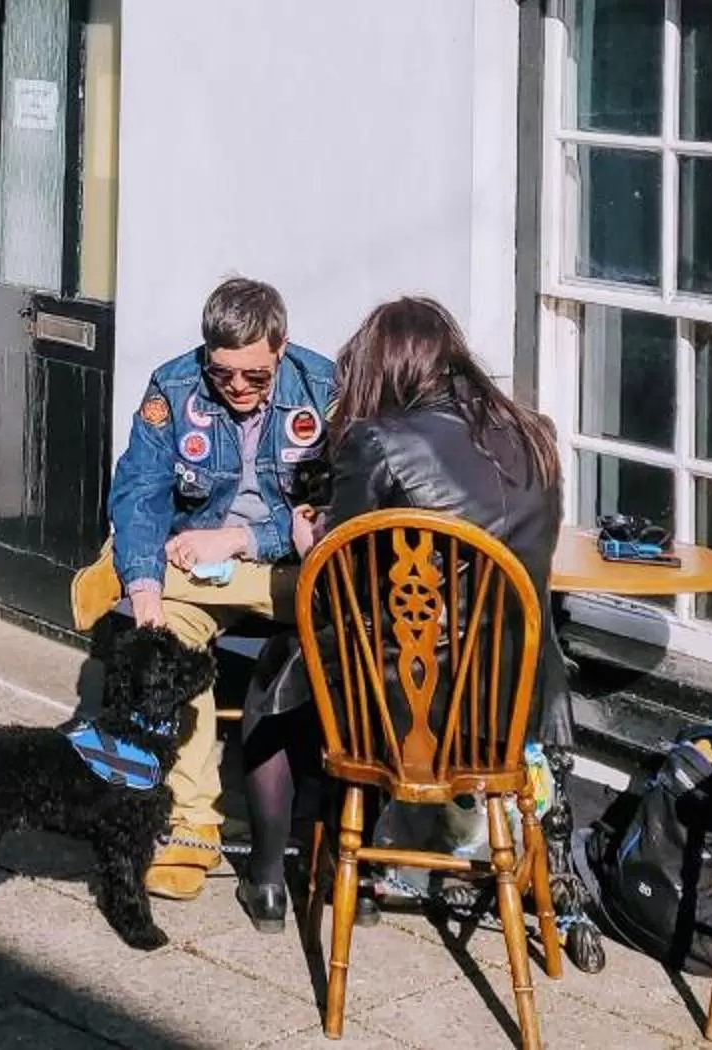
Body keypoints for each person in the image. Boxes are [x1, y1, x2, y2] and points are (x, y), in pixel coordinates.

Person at [234, 295, 567, 926]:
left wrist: (312, 541)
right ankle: (350, 877)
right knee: (336, 673)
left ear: (386, 369)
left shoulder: (378, 441)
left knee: (279, 685)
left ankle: (270, 881)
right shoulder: (535, 436)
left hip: (410, 707)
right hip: (509, 708)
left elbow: (340, 581)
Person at [106, 276, 337, 908]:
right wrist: (146, 594)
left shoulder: (324, 388)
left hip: (293, 570)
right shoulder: (173, 387)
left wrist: (240, 537)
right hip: (196, 572)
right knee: (167, 634)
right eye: (224, 373)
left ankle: (339, 826)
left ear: (281, 349)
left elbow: (335, 511)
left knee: (350, 620)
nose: (237, 387)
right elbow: (139, 493)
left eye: (255, 377)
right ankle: (193, 823)